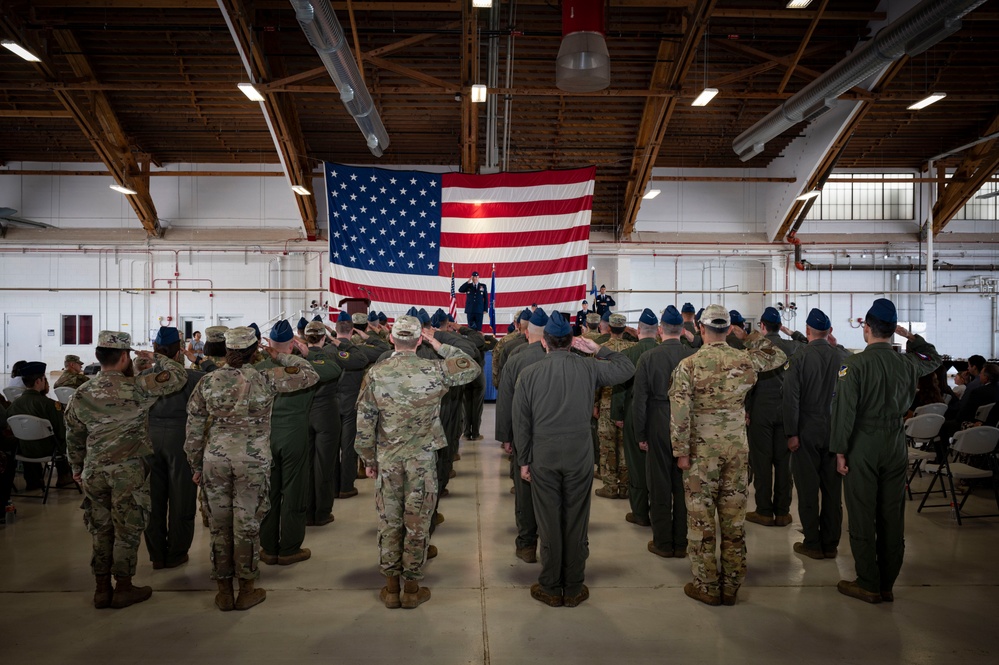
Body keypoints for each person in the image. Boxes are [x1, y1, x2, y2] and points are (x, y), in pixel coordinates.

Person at [185, 326, 319, 611]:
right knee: (247, 526)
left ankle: (223, 591)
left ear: (227, 350)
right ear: (253, 350)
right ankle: (246, 589)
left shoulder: (208, 381)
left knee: (220, 526)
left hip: (215, 460)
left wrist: (195, 464)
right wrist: (279, 355)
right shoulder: (266, 378)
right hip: (252, 461)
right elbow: (310, 374)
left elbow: (194, 427)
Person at [355, 316, 481, 609]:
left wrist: (368, 459)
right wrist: (440, 344)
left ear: (391, 339)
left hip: (388, 458)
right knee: (417, 521)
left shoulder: (377, 372)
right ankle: (411, 587)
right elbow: (471, 368)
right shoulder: (435, 369)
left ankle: (390, 588)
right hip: (422, 459)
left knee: (389, 520)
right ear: (419, 340)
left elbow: (364, 423)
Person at [513, 312, 634, 607]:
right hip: (579, 454)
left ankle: (552, 586)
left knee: (549, 520)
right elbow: (626, 368)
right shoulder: (588, 368)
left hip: (543, 454)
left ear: (545, 343)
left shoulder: (529, 375)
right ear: (572, 342)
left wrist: (525, 460)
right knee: (577, 519)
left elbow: (521, 422)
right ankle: (575, 584)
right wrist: (598, 349)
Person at [669, 305, 787, 606]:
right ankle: (732, 584)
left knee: (701, 520)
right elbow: (778, 355)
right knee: (734, 519)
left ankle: (707, 586)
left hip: (700, 451)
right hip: (736, 448)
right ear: (729, 328)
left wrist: (680, 452)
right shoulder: (745, 360)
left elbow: (680, 413)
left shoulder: (689, 365)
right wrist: (746, 335)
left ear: (700, 328)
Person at [64, 331, 187, 609]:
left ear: (98, 357)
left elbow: (73, 434)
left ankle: (101, 589)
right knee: (127, 529)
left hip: (94, 471)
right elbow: (177, 376)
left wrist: (76, 468)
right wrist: (155, 356)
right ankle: (124, 587)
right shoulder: (137, 387)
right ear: (123, 357)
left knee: (101, 529)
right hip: (128, 472)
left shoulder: (82, 393)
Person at [831, 299, 940, 604]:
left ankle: (868, 582)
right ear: (893, 331)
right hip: (895, 441)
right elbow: (933, 357)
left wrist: (840, 450)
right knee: (892, 514)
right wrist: (910, 336)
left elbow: (845, 412)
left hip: (863, 443)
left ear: (866, 327)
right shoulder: (908, 362)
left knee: (863, 513)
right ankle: (887, 583)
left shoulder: (853, 366)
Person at [256, 319, 342, 567]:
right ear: (293, 344)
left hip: (265, 435)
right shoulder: (305, 368)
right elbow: (333, 370)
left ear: (270, 343)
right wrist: (309, 353)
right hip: (294, 434)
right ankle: (290, 548)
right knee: (294, 491)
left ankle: (269, 547)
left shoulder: (258, 368)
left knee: (269, 491)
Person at [783, 309, 850, 561]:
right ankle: (830, 543)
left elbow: (790, 399)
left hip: (806, 429)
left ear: (807, 330)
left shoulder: (798, 359)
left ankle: (812, 542)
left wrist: (791, 433)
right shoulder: (842, 357)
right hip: (834, 429)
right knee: (833, 491)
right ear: (830, 332)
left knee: (808, 489)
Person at [633, 305, 695, 558]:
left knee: (659, 483)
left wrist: (641, 434)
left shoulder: (648, 358)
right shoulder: (693, 356)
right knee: (683, 483)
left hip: (658, 420)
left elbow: (640, 400)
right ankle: (681, 541)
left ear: (660, 331)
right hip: (686, 421)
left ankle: (662, 542)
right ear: (682, 330)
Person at [142, 327, 205, 570]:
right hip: (182, 440)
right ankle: (177, 552)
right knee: (182, 498)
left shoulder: (144, 378)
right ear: (179, 352)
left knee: (153, 498)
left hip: (150, 439)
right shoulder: (192, 378)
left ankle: (157, 554)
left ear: (156, 350)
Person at [496, 307, 549, 563]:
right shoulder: (567, 356)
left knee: (525, 491)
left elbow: (505, 400)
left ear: (527, 332)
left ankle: (527, 545)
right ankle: (552, 545)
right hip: (554, 437)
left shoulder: (516, 357)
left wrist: (506, 436)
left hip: (523, 434)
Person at [744, 307, 806, 528]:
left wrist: (747, 409)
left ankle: (763, 511)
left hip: (761, 409)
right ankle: (782, 512)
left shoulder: (753, 347)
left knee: (761, 463)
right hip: (787, 411)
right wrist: (793, 333)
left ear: (762, 325)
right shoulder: (794, 346)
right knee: (783, 463)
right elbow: (809, 342)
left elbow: (749, 381)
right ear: (780, 326)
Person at [303, 319, 364, 527]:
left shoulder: (297, 358)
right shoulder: (332, 353)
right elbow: (359, 360)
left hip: (304, 412)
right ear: (324, 336)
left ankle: (307, 510)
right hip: (328, 410)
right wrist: (343, 344)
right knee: (325, 464)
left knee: (306, 464)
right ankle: (322, 511)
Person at [332, 311, 391, 500]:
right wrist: (367, 335)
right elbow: (384, 347)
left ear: (335, 329)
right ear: (352, 330)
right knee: (349, 446)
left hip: (331, 402)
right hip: (352, 402)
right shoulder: (360, 349)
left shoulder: (328, 349)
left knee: (331, 448)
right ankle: (346, 486)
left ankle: (332, 485)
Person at [611, 308, 660, 527]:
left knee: (636, 462)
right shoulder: (664, 351)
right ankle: (661, 512)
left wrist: (617, 414)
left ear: (638, 330)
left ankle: (640, 512)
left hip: (633, 412)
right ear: (657, 331)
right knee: (661, 464)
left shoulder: (630, 354)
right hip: (662, 415)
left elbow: (619, 387)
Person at [7, 362, 75, 489]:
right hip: (47, 450)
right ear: (39, 381)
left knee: (28, 438)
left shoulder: (14, 405)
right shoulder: (49, 404)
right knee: (63, 438)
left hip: (23, 449)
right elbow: (61, 431)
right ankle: (64, 476)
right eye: (44, 378)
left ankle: (33, 480)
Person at [595, 313, 634, 499]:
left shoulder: (602, 350)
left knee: (607, 447)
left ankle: (610, 486)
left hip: (606, 404)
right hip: (627, 405)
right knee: (624, 446)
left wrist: (594, 403)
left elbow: (596, 379)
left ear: (609, 328)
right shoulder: (632, 348)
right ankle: (625, 486)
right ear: (624, 328)